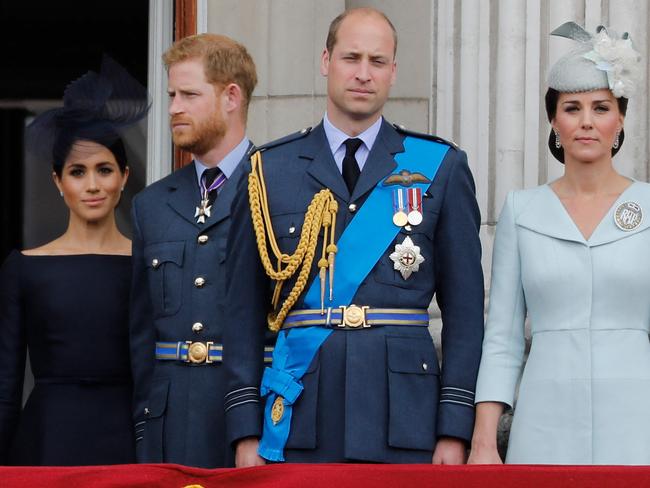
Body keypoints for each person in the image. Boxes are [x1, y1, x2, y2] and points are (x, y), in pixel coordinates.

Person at [224, 7, 484, 466]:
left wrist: (454, 429)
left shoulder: (439, 167)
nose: (364, 74)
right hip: (299, 418)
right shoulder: (269, 170)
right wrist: (246, 431)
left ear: (393, 71)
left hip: (405, 420)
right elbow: (242, 312)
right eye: (351, 58)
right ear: (326, 60)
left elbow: (464, 313)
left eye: (378, 62)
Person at [469, 22, 648, 465]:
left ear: (620, 117)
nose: (587, 121)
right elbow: (503, 337)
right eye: (572, 108)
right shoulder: (522, 210)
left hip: (636, 418)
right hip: (543, 421)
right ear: (554, 120)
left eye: (601, 107)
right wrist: (484, 441)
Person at [0, 57, 149, 465]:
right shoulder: (24, 268)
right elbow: (5, 384)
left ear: (123, 175)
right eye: (78, 172)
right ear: (58, 181)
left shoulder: (146, 264)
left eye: (104, 169)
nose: (93, 185)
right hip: (47, 441)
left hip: (128, 441)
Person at [129, 33, 268, 468]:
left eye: (188, 94)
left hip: (253, 423)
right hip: (168, 426)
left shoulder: (279, 187)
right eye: (172, 94)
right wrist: (144, 428)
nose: (173, 108)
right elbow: (141, 334)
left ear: (231, 96)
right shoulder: (151, 204)